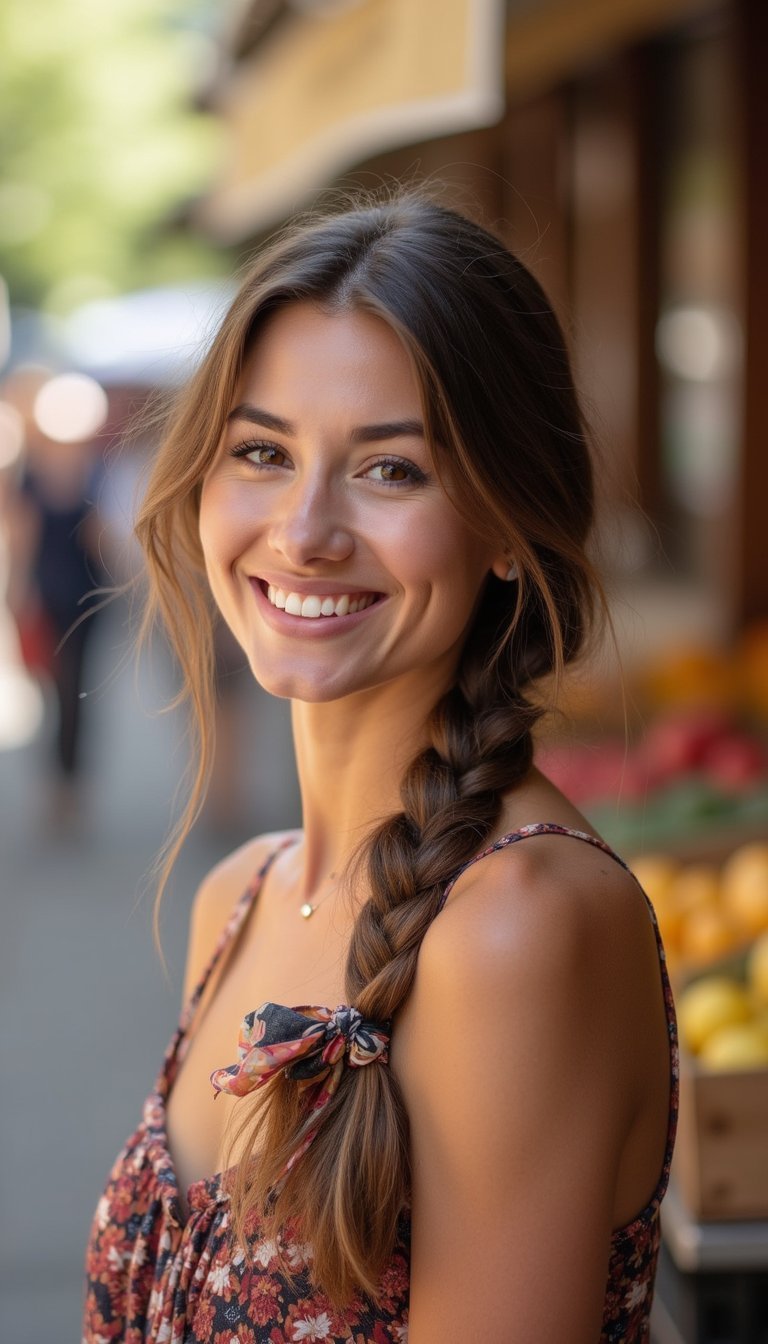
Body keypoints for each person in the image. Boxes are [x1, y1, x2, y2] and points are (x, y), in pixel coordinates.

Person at [83, 191, 678, 1343]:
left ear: (508, 523)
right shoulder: (238, 898)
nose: (304, 530)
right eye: (261, 452)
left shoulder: (520, 928)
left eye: (391, 471)